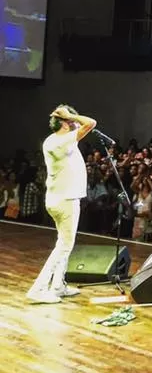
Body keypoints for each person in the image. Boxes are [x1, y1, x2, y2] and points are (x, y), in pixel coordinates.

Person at [27, 105, 97, 304]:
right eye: (71, 120)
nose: (75, 122)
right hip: (65, 201)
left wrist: (68, 118)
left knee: (65, 243)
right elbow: (91, 123)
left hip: (60, 198)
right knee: (64, 246)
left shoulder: (54, 140)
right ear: (65, 123)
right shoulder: (61, 140)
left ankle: (58, 285)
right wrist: (70, 115)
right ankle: (39, 288)